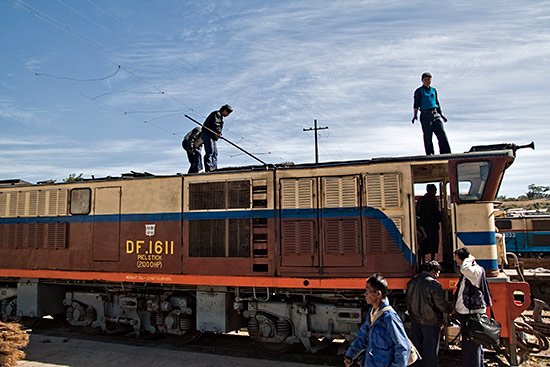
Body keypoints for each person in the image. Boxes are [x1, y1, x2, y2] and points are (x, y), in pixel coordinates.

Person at [344, 273, 411, 367]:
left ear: (378, 294)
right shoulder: (372, 312)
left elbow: (402, 347)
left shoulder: (389, 317)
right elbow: (363, 336)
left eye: (367, 291)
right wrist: (350, 354)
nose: (365, 294)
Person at [406, 260, 451, 367]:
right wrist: (450, 309)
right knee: (430, 352)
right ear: (434, 271)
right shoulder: (433, 284)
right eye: (438, 272)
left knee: (417, 350)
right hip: (431, 322)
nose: (438, 275)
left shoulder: (412, 282)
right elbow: (441, 305)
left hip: (415, 320)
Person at [453, 247, 492, 367]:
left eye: (457, 259)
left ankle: (474, 364)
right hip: (467, 311)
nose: (456, 262)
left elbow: (464, 269)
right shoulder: (471, 270)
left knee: (472, 342)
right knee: (470, 342)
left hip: (472, 312)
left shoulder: (474, 270)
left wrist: (468, 259)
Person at [412, 72, 451, 155]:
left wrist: (442, 115)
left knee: (442, 134)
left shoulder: (433, 90)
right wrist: (415, 115)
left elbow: (437, 103)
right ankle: (430, 154)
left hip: (435, 114)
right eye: (425, 79)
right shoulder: (419, 91)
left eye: (429, 79)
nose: (427, 81)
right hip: (425, 114)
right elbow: (416, 104)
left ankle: (446, 153)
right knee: (428, 136)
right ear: (422, 80)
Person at [201, 104, 233, 172]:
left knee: (215, 152)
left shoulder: (220, 116)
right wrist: (218, 133)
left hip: (212, 136)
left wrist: (219, 134)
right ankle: (209, 167)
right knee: (210, 151)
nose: (228, 114)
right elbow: (216, 124)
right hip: (207, 134)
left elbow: (217, 126)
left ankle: (214, 168)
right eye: (228, 112)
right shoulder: (217, 114)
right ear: (224, 110)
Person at [416, 184, 442, 265]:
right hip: (432, 226)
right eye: (434, 190)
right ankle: (432, 261)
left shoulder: (421, 200)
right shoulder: (434, 200)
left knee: (423, 244)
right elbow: (437, 213)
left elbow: (417, 212)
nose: (436, 191)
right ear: (430, 190)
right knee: (433, 244)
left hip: (423, 225)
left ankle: (422, 262)